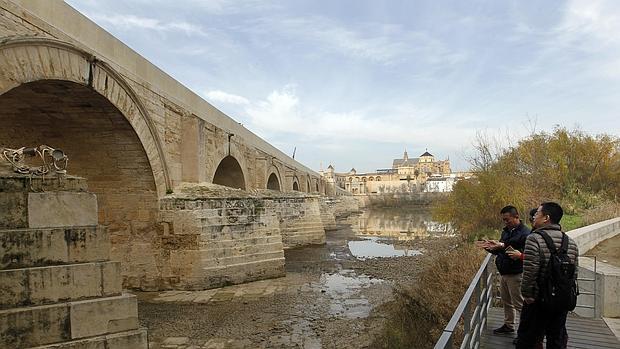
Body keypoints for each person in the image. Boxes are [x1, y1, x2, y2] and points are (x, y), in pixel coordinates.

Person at [516, 202, 579, 349]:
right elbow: (574, 274)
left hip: (538, 301)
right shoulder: (571, 242)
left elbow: (530, 270)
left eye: (537, 214)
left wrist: (527, 295)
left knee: (528, 339)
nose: (534, 217)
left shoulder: (534, 239)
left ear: (546, 218)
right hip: (561, 301)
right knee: (556, 339)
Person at [479, 206, 531, 335]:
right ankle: (509, 325)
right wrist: (490, 247)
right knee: (507, 302)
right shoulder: (507, 231)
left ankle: (525, 333)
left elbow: (523, 251)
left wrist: (501, 245)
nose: (506, 222)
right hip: (504, 272)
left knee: (520, 305)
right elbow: (503, 250)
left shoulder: (525, 233)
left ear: (516, 217)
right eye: (504, 220)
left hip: (517, 274)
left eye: (507, 219)